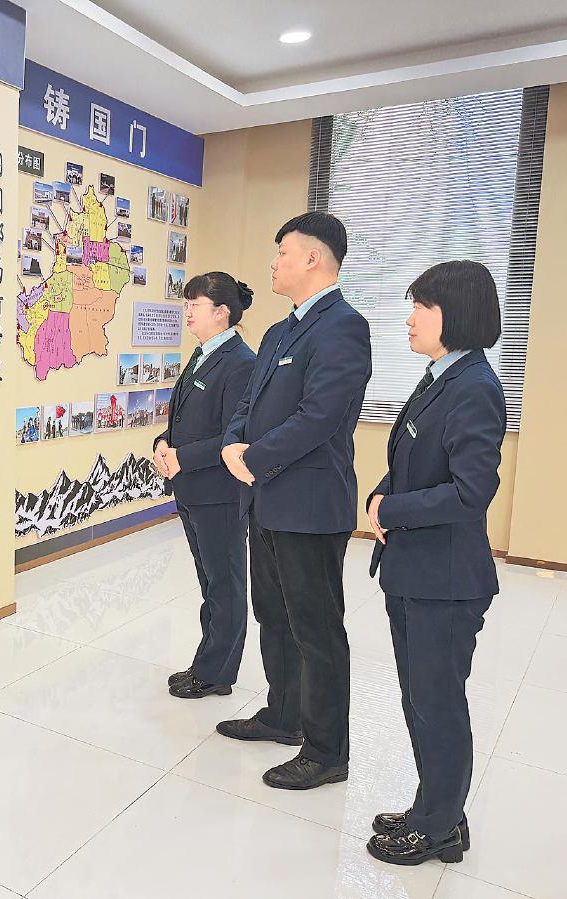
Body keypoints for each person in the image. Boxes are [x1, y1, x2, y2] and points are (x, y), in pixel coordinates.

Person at [219, 212, 371, 790]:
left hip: (308, 505)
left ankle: (327, 751)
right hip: (266, 501)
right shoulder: (279, 332)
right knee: (274, 614)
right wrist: (234, 442)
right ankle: (283, 715)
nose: (274, 262)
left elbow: (320, 416)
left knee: (316, 628)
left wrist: (253, 458)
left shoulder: (344, 327)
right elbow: (250, 403)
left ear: (313, 257)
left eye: (283, 251)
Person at [364, 261, 505, 866]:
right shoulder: (439, 377)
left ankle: (439, 825)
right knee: (420, 700)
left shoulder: (474, 386)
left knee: (437, 704)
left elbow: (470, 493)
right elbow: (412, 462)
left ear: (458, 313)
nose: (410, 318)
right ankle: (436, 808)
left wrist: (391, 510)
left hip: (444, 580)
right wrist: (382, 494)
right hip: (416, 571)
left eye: (422, 306)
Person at [153, 273, 256, 699]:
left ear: (222, 313)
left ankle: (216, 673)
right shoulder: (202, 355)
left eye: (194, 305)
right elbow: (183, 417)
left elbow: (235, 435)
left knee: (225, 585)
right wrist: (163, 443)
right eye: (187, 304)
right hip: (192, 489)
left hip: (219, 493)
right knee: (210, 582)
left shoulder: (241, 362)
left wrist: (183, 457)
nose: (187, 312)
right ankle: (207, 662)